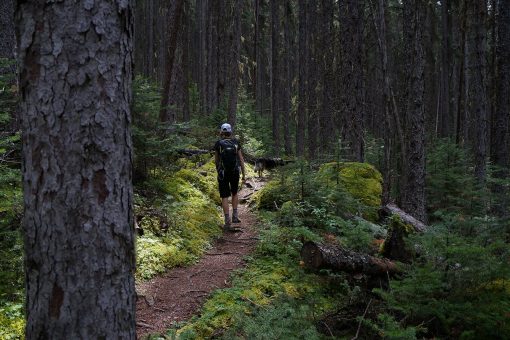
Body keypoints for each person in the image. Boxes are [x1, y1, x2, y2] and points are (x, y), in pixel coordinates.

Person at [214, 123, 246, 231]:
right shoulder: (236, 142)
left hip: (223, 172)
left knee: (224, 196)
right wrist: (244, 175)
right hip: (235, 171)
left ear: (222, 132)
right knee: (234, 193)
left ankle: (227, 221)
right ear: (230, 132)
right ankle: (235, 216)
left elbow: (216, 160)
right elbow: (241, 159)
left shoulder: (219, 143)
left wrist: (218, 170)